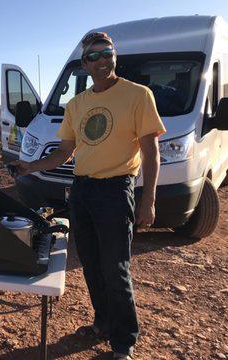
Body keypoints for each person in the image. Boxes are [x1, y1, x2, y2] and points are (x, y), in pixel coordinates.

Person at [10, 31, 166, 359]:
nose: (101, 60)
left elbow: (152, 153)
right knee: (91, 264)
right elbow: (64, 152)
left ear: (114, 55)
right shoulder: (77, 104)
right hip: (82, 190)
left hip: (115, 189)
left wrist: (148, 199)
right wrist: (29, 167)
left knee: (116, 266)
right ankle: (103, 323)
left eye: (106, 53)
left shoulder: (138, 95)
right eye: (92, 56)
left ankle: (124, 341)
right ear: (84, 64)